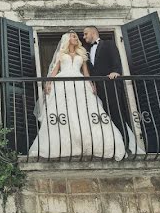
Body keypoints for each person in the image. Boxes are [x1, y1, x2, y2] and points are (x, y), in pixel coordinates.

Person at [28, 31, 126, 160]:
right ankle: (63, 145)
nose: (77, 38)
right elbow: (54, 71)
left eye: (76, 36)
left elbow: (86, 73)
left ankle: (90, 143)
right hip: (62, 84)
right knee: (63, 112)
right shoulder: (61, 54)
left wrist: (91, 85)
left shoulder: (82, 54)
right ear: (67, 39)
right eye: (73, 36)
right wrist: (49, 83)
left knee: (84, 111)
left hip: (80, 83)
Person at [83, 25, 138, 153]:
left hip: (110, 85)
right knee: (103, 117)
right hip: (97, 89)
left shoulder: (109, 44)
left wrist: (116, 72)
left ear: (93, 32)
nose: (84, 37)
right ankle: (111, 147)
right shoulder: (87, 50)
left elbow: (116, 60)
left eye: (86, 34)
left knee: (116, 113)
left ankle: (125, 147)